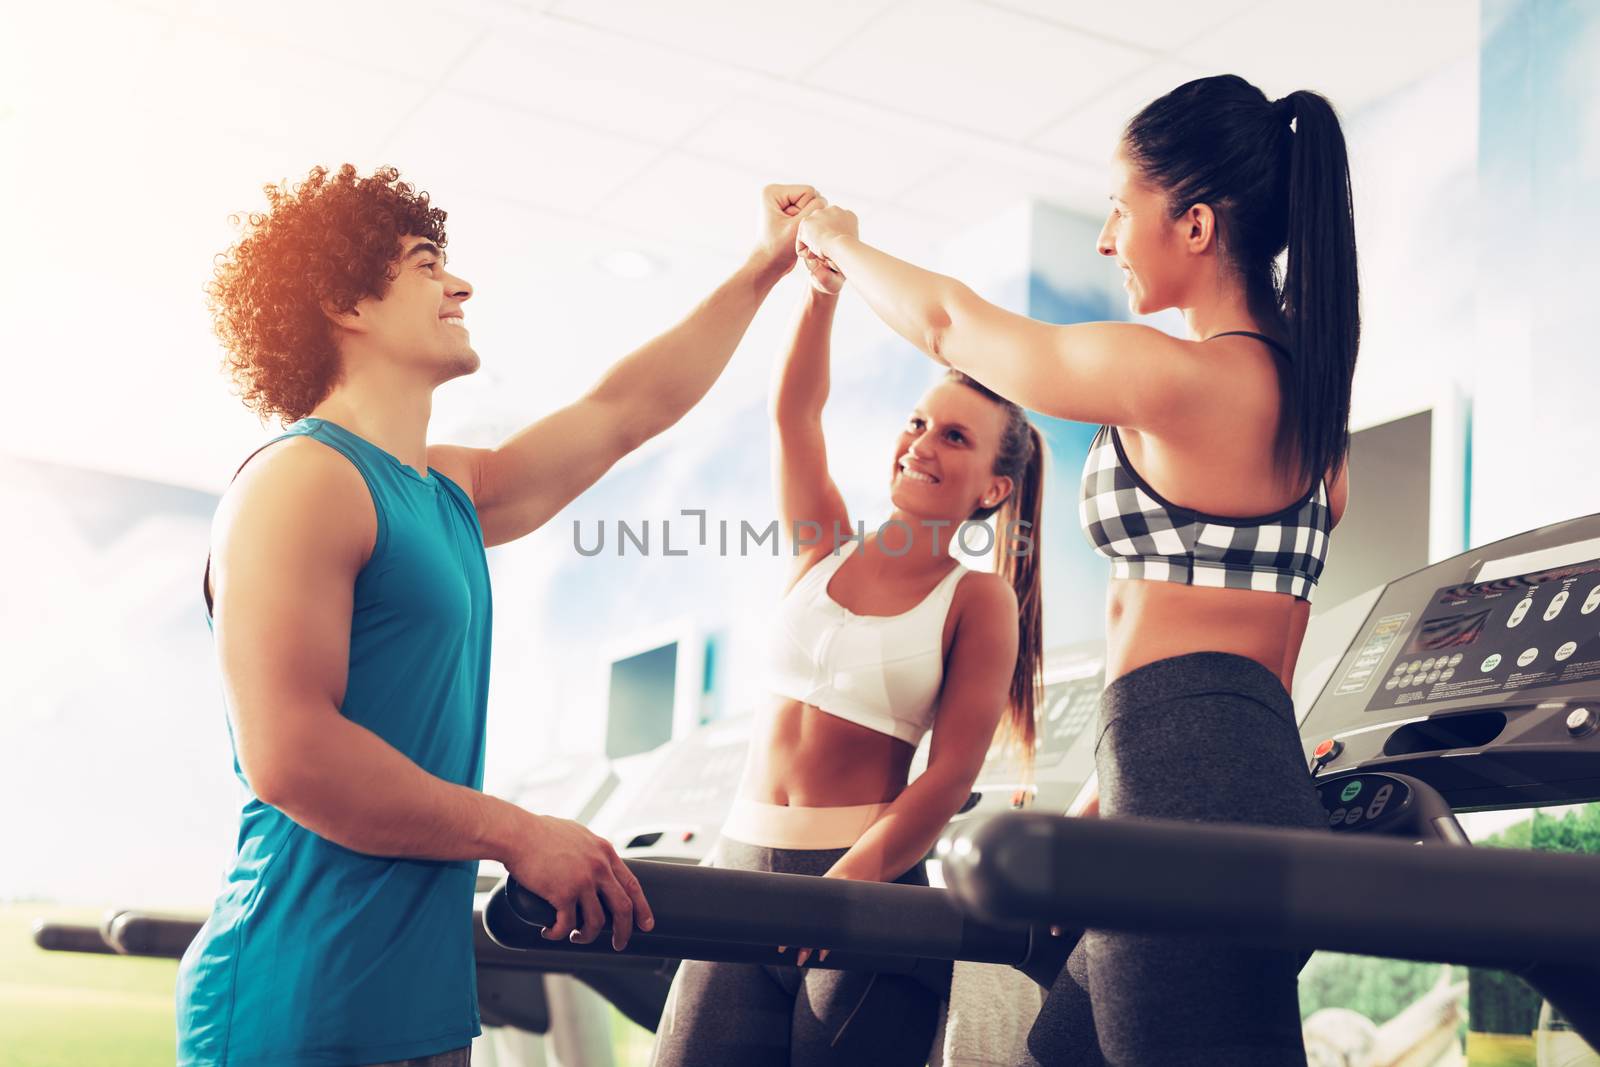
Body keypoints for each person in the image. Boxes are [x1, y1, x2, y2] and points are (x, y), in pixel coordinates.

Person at [178, 164, 824, 1067]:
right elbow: (291, 753)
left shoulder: (443, 491)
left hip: (419, 1007)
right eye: (424, 261)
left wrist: (764, 266)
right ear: (342, 300)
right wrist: (518, 832)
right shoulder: (301, 479)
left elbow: (623, 412)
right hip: (303, 996)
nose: (460, 282)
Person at [795, 74, 1356, 1066]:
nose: (1105, 240)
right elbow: (1242, 656)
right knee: (1058, 1048)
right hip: (1203, 771)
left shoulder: (1180, 378)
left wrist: (836, 240)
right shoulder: (1307, 405)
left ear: (1191, 224)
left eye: (1117, 208)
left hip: (1193, 791)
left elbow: (949, 328)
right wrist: (1109, 792)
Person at [650, 227, 1046, 1067]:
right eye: (918, 423)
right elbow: (794, 410)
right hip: (739, 866)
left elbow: (948, 776)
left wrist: (848, 885)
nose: (922, 444)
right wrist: (820, 290)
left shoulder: (977, 599)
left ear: (994, 488)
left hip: (862, 878)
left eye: (955, 439)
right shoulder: (821, 542)